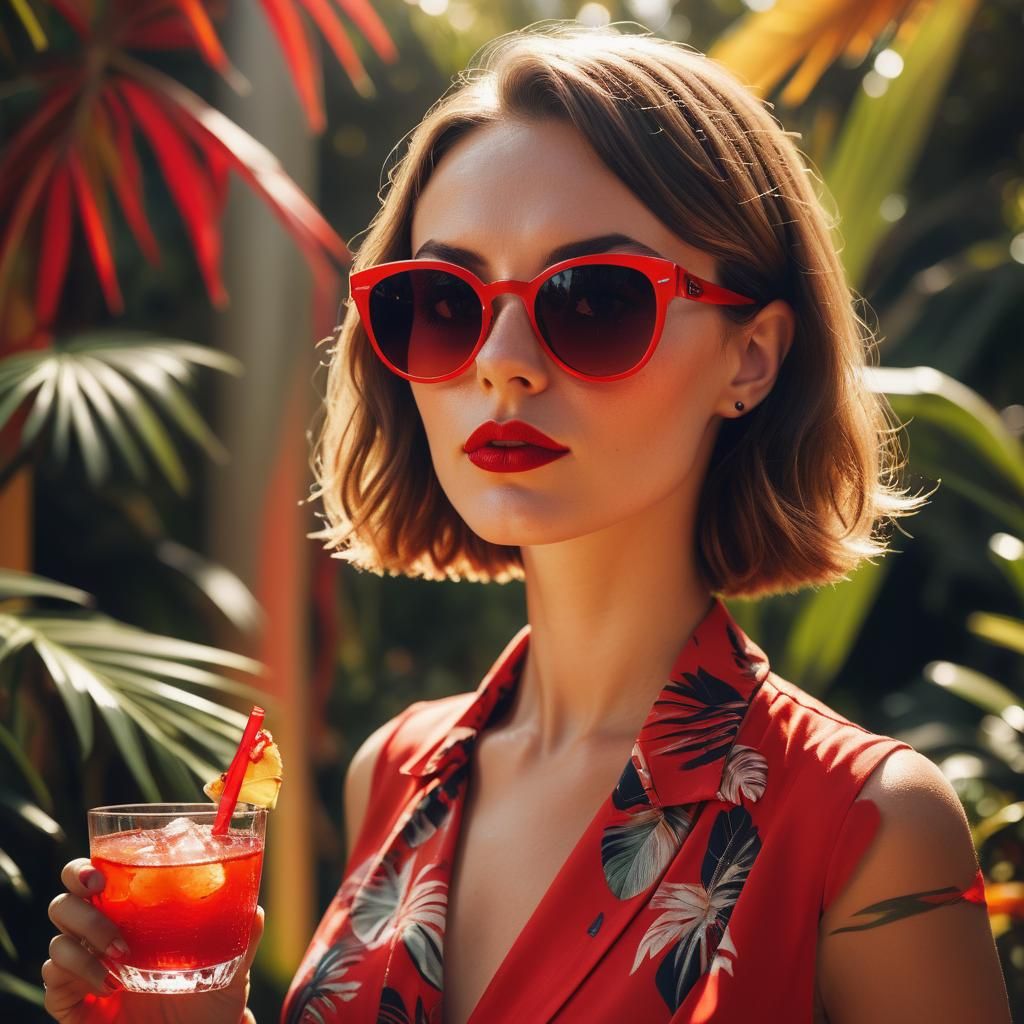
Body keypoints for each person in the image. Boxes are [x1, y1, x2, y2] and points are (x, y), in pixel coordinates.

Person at [43, 21, 1013, 1024]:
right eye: (443, 301)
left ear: (750, 358)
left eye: (591, 299)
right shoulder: (395, 771)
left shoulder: (865, 826)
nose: (501, 361)